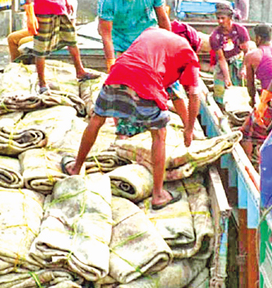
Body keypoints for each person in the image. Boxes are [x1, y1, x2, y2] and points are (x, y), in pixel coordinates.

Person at [62, 27, 202, 210]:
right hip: (146, 81)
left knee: (97, 118)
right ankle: (158, 194)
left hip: (118, 72)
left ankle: (76, 167)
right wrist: (190, 130)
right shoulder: (188, 53)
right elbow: (193, 96)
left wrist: (187, 126)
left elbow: (174, 95)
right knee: (159, 135)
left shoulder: (153, 32)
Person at [97, 0, 171, 72]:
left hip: (148, 38)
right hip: (121, 41)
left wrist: (167, 48)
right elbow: (106, 33)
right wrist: (111, 61)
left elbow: (163, 19)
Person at [240, 23, 272, 159]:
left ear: (258, 38)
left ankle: (249, 163)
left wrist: (252, 100)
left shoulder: (252, 56)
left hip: (270, 105)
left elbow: (250, 86)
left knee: (245, 133)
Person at [8, 0, 78, 62]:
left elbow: (68, 21)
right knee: (12, 38)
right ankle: (14, 64)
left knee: (23, 42)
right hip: (40, 27)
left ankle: (25, 64)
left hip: (55, 31)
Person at [209, 3, 251, 105]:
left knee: (241, 91)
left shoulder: (240, 30)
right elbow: (221, 59)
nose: (220, 21)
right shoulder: (215, 36)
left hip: (239, 61)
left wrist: (244, 68)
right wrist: (227, 78)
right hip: (224, 64)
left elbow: (247, 52)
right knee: (220, 91)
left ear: (230, 18)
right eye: (218, 18)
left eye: (223, 18)